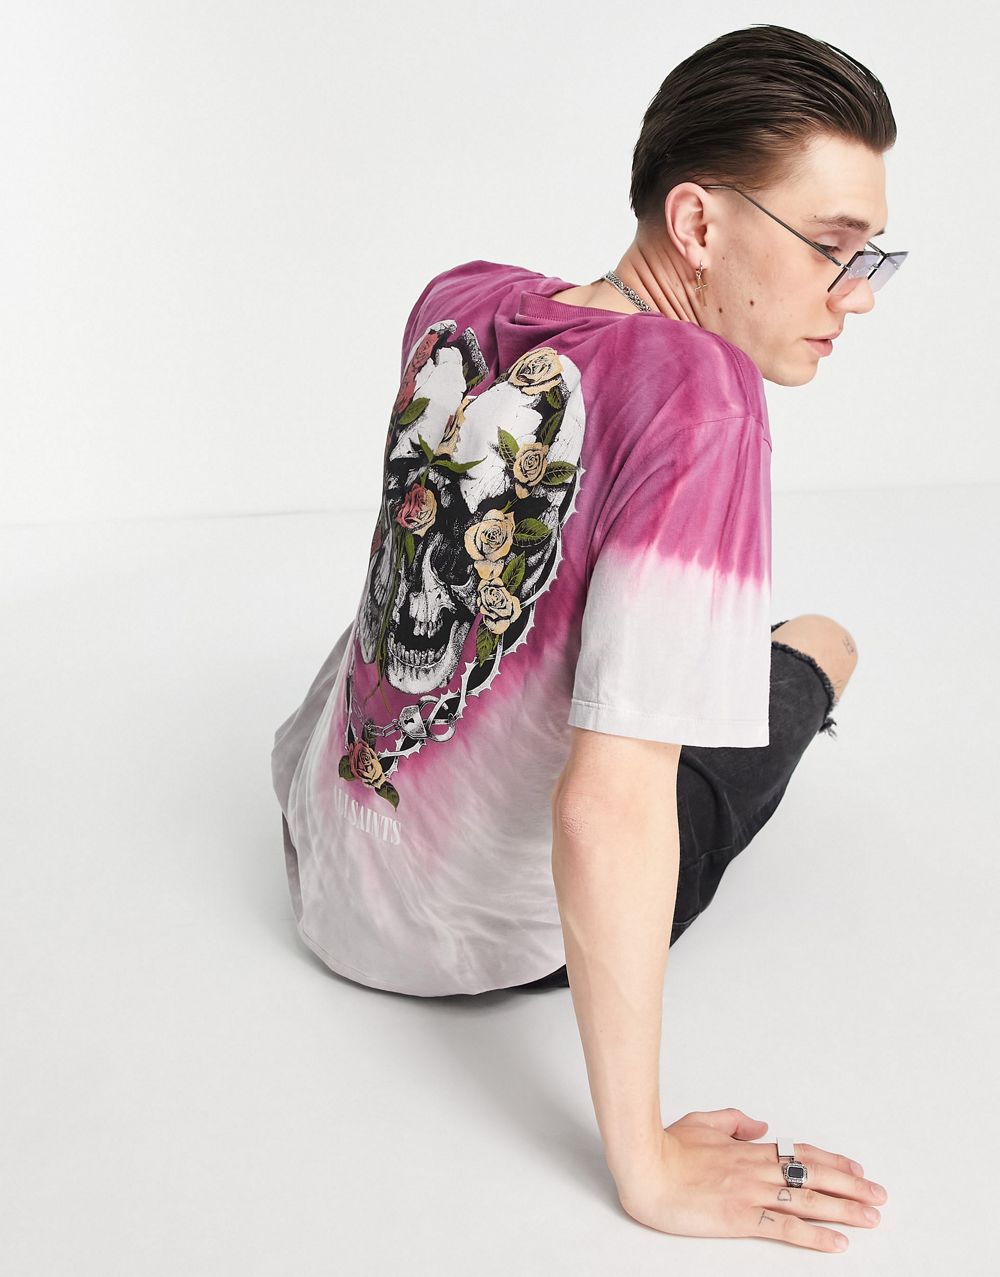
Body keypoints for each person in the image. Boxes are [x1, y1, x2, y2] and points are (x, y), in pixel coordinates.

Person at [270, 22, 902, 1255]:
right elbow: (608, 807)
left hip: (322, 856)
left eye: (871, 254)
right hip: (466, 943)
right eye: (831, 247)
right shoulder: (704, 400)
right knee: (819, 640)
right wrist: (645, 1162)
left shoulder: (460, 296)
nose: (859, 292)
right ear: (698, 223)